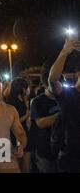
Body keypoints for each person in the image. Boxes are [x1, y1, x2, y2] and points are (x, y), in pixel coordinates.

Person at [48, 39, 80, 172]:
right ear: (78, 73)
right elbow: (53, 79)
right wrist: (64, 52)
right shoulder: (68, 94)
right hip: (70, 157)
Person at [30, 68, 60, 173]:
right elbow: (40, 123)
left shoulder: (64, 98)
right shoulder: (37, 101)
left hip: (64, 150)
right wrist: (62, 114)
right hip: (45, 150)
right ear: (45, 84)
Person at [5, 77, 31, 173]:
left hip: (25, 132)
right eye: (26, 87)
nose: (28, 89)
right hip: (16, 134)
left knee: (26, 158)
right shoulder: (11, 103)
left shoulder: (23, 99)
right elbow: (13, 122)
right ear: (22, 88)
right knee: (18, 159)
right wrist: (27, 115)